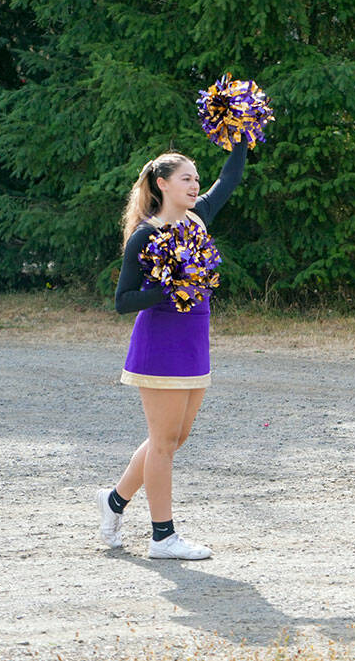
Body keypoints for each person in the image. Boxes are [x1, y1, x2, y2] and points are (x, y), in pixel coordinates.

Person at [98, 145, 248, 559]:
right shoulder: (147, 234)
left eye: (197, 178)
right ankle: (162, 536)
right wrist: (169, 288)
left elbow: (230, 179)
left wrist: (240, 135)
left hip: (194, 344)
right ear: (162, 184)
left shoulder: (197, 217)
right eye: (186, 178)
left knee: (174, 438)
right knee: (163, 442)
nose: (195, 184)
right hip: (159, 347)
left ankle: (114, 500)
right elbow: (124, 300)